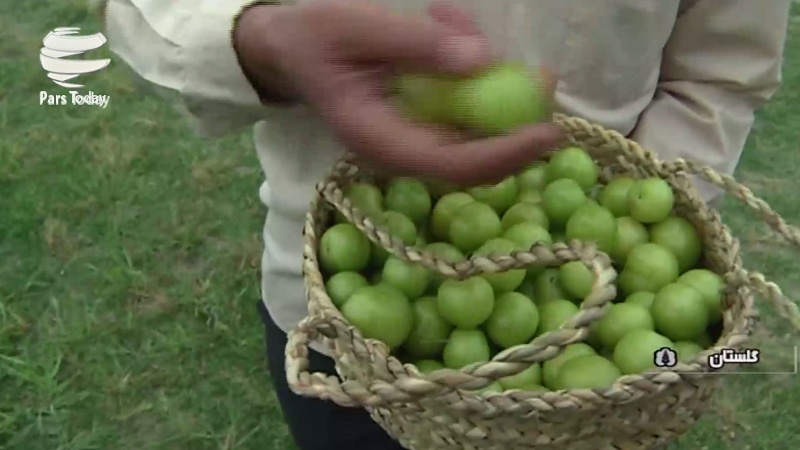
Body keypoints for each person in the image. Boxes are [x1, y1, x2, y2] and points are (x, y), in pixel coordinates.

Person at [104, 0, 790, 449]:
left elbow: (720, 73)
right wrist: (261, 42)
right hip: (339, 330)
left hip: (604, 389)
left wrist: (636, 203)